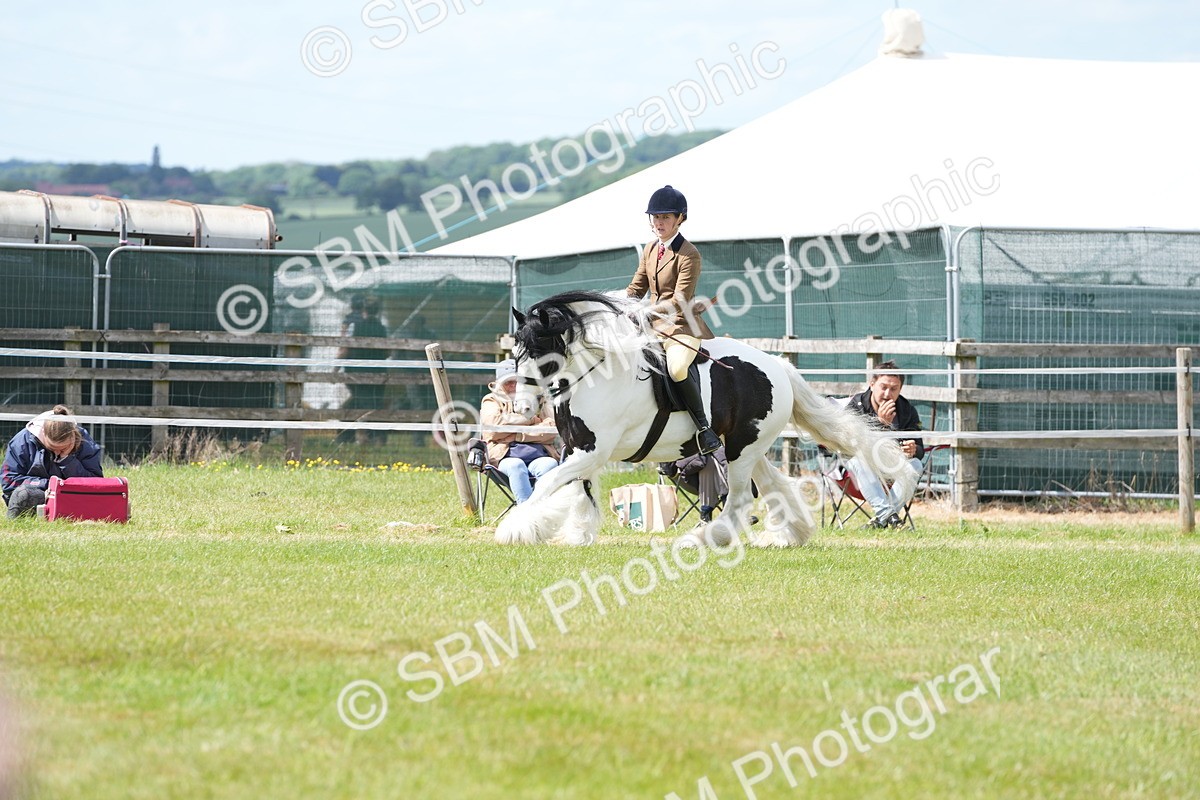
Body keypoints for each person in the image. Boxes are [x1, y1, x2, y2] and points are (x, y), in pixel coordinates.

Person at [625, 185, 721, 455]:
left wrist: (646, 311)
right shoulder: (650, 249)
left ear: (680, 218)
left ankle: (704, 428)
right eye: (655, 217)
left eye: (666, 217)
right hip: (649, 325)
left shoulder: (689, 254)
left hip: (680, 325)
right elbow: (637, 287)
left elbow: (680, 299)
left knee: (677, 368)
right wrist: (621, 304)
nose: (659, 223)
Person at [843, 360, 925, 528]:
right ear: (872, 384)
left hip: (890, 468)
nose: (888, 394)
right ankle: (889, 517)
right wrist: (881, 423)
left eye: (894, 389)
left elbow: (920, 449)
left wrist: (914, 449)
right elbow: (849, 445)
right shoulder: (856, 406)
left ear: (900, 389)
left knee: (915, 464)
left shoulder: (907, 410)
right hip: (858, 469)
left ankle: (882, 520)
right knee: (859, 460)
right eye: (883, 387)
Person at [3, 405, 103, 519]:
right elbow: (8, 481)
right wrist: (50, 484)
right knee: (23, 494)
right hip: (38, 495)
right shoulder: (21, 442)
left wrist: (67, 460)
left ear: (73, 437)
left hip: (72, 496)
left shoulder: (84, 440)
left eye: (62, 449)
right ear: (43, 434)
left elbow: (96, 482)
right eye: (52, 447)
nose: (57, 452)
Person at [480, 360, 559, 503]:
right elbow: (494, 428)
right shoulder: (491, 400)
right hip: (504, 456)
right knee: (516, 466)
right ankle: (525, 513)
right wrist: (530, 419)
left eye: (517, 381)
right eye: (508, 382)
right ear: (499, 382)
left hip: (539, 454)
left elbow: (552, 428)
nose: (513, 385)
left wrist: (517, 434)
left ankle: (542, 513)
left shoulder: (541, 398)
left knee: (550, 465)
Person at [336, 294, 389, 445]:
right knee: (373, 405)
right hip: (378, 374)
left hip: (356, 374)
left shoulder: (354, 326)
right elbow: (387, 352)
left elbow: (344, 349)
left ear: (364, 311)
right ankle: (376, 437)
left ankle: (347, 437)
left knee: (355, 403)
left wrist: (335, 368)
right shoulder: (382, 329)